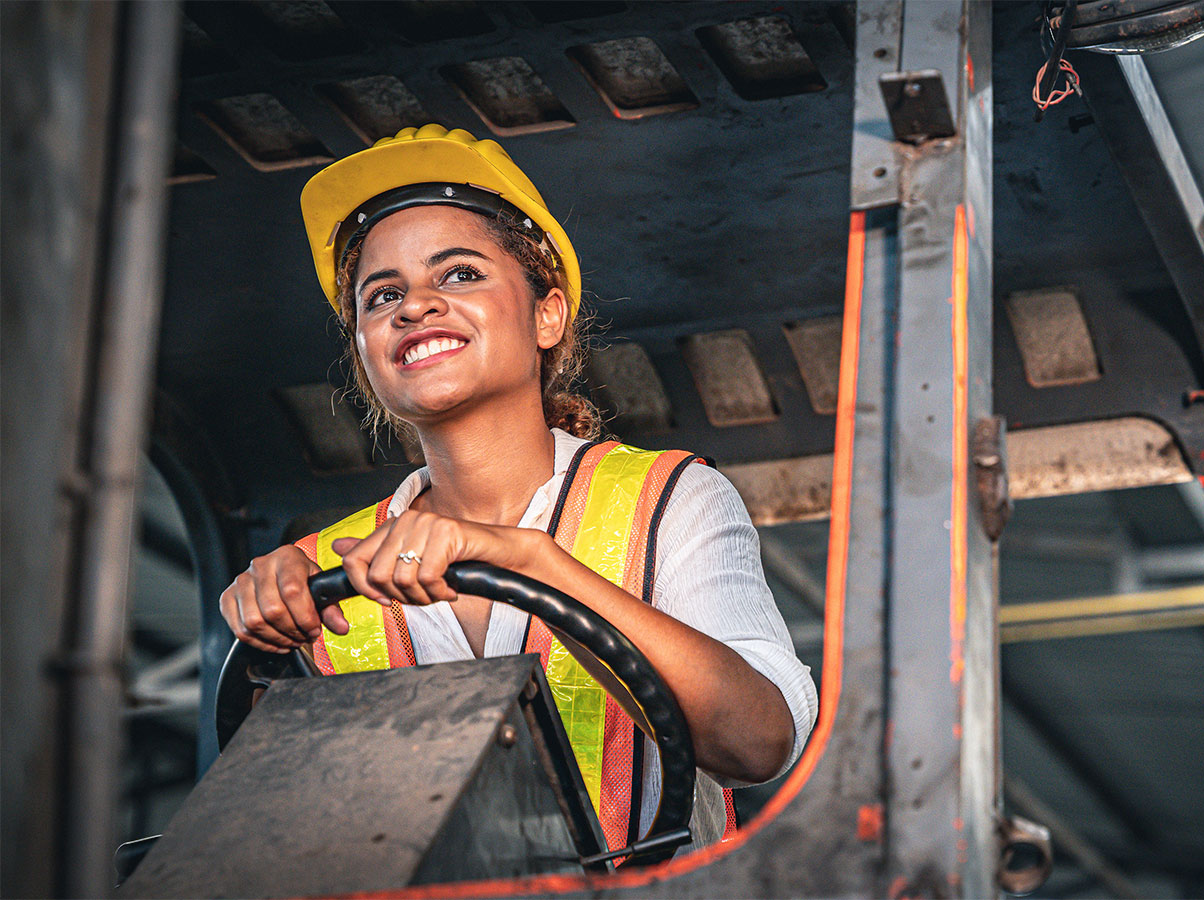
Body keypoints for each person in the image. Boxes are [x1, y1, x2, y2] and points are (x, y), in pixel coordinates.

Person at [218, 124, 817, 854]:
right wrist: (266, 644)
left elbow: (756, 743)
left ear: (547, 314)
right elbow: (290, 840)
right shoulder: (321, 573)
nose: (414, 306)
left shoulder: (669, 498)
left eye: (459, 274)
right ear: (365, 353)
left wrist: (534, 563)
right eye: (382, 296)